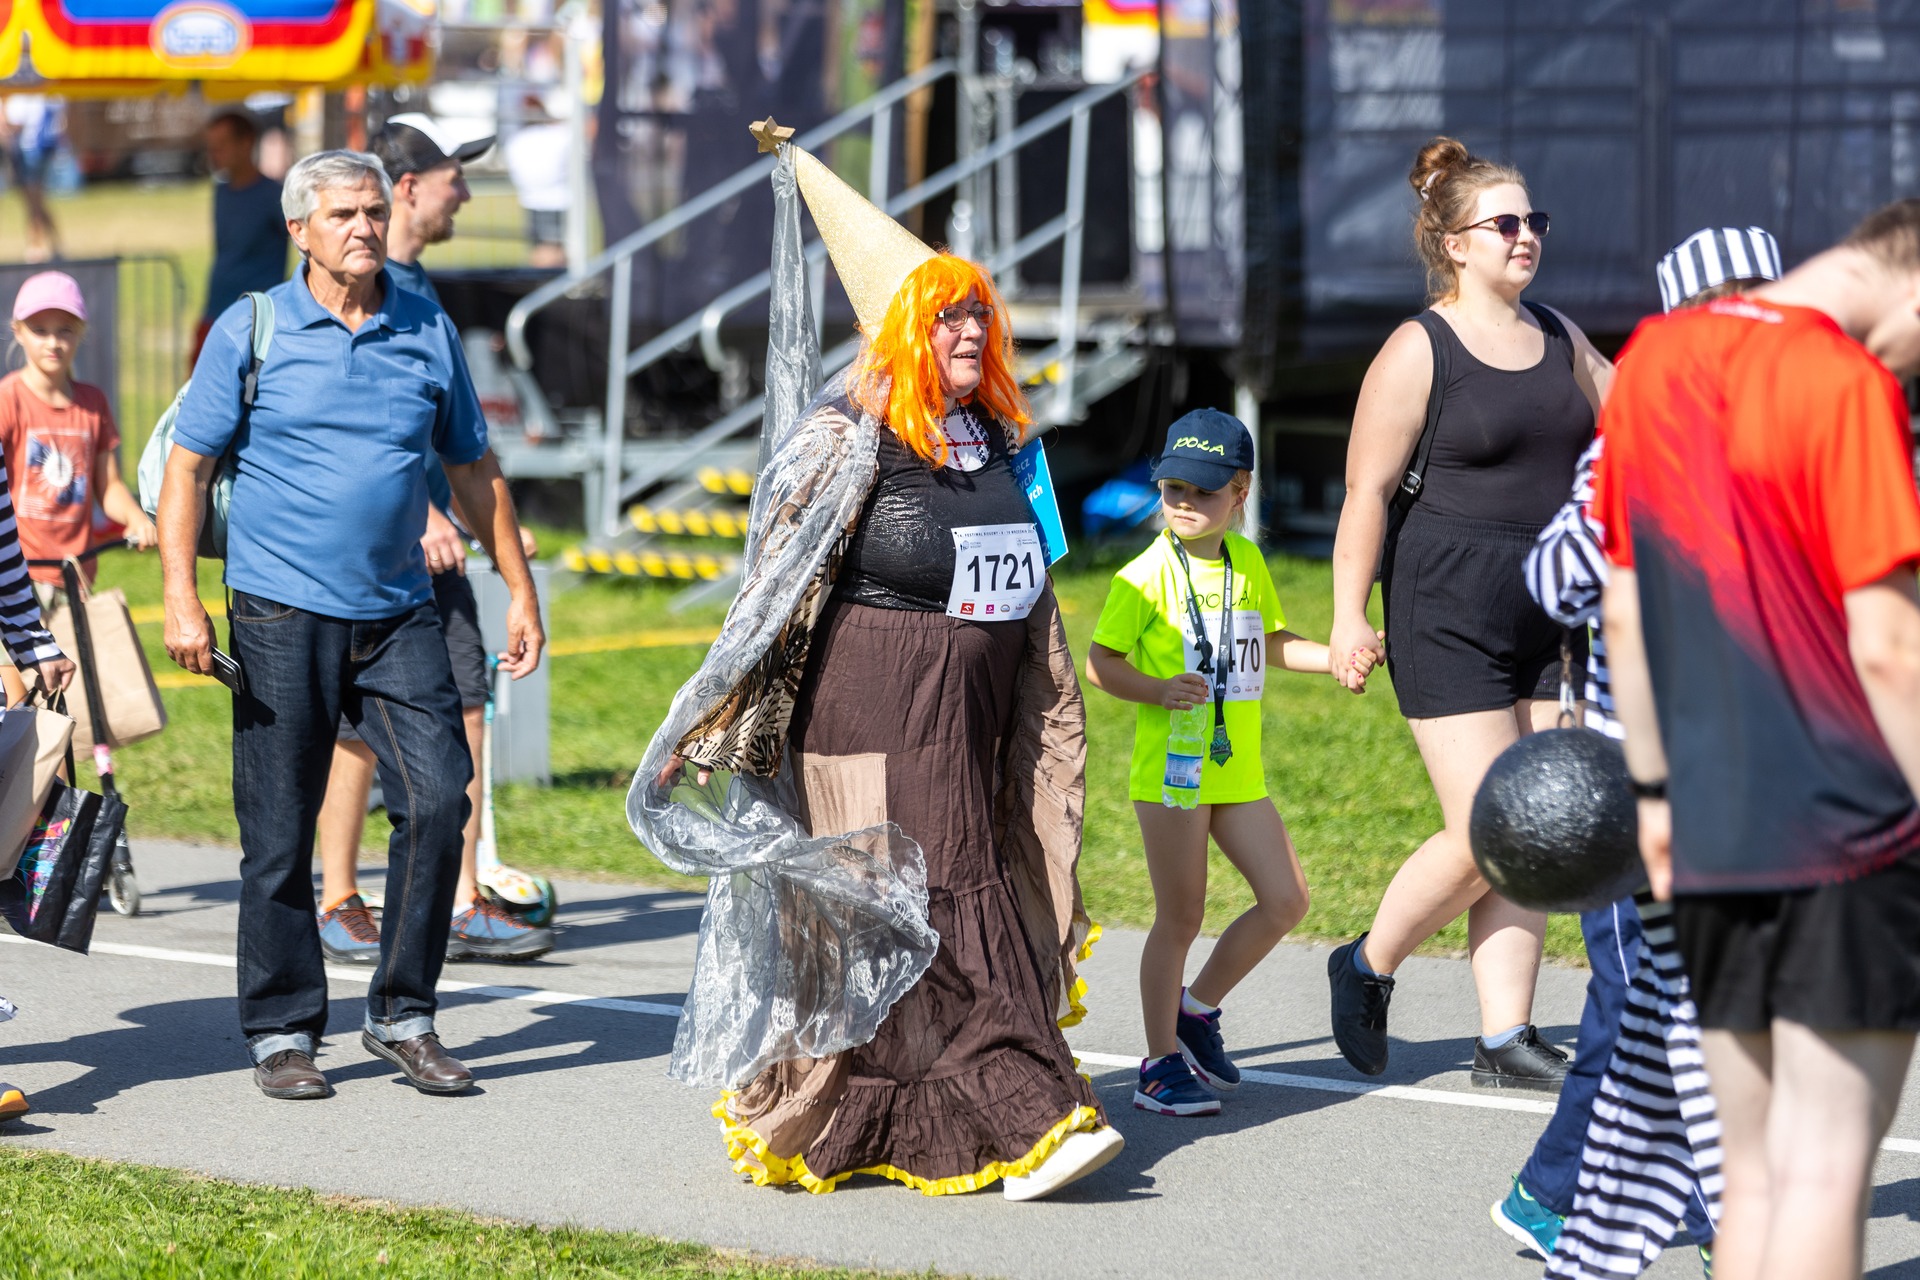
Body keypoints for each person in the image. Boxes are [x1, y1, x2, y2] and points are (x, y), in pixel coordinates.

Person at [629, 131, 1121, 1201]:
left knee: (925, 899)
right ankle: (1030, 1115)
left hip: (979, 711)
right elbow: (768, 596)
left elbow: (1035, 574)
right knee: (934, 891)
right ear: (897, 328)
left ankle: (874, 1117)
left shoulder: (1002, 438)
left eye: (977, 312)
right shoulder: (841, 437)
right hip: (875, 708)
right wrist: (703, 722)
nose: (969, 329)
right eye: (945, 315)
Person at [157, 150, 545, 1102]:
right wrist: (180, 596)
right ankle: (283, 1029)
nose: (364, 228)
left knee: (440, 800)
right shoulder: (251, 328)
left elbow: (473, 468)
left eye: (373, 211)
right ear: (300, 230)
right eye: (342, 215)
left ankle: (403, 1014)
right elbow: (188, 470)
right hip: (278, 611)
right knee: (279, 829)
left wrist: (519, 587)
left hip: (398, 612)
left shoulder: (425, 326)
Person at [1599, 200, 1920, 1280]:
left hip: (1709, 819)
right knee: (1827, 1169)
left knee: (1755, 1175)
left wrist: (1653, 794)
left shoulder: (1651, 360)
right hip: (1848, 827)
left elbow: (1625, 610)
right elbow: (1889, 648)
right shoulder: (1846, 381)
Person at [1493, 226, 1785, 1270]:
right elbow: (1553, 578)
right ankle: (1559, 1196)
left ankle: (1687, 1206)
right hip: (1635, 785)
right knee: (1639, 1006)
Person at [1323, 136, 1613, 1090]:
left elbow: (1643, 415)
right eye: (1505, 223)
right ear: (1455, 244)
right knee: (1495, 824)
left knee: (1546, 823)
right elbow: (1365, 493)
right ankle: (1367, 963)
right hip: (1446, 604)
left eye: (1535, 221)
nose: (1527, 236)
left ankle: (1504, 1037)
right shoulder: (1420, 348)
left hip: (1549, 609)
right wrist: (1348, 616)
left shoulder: (1561, 337)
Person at [307, 113, 551, 967]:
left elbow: (455, 438)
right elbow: (348, 420)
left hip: (436, 543)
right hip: (381, 547)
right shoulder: (362, 286)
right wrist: (425, 511)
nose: (467, 194)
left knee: (464, 703)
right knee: (358, 721)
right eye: (456, 176)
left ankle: (457, 894)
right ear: (409, 186)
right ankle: (341, 897)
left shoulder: (417, 289)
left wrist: (491, 530)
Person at [1085, 409, 1373, 1117]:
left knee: (1288, 899)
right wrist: (1158, 689)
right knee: (1181, 916)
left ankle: (1197, 1009)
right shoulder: (1143, 576)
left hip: (1237, 771)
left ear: (1240, 492)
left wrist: (1336, 658)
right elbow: (1099, 664)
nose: (1184, 502)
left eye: (1203, 491)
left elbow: (1269, 643)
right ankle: (1158, 1065)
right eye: (1173, 488)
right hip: (1172, 776)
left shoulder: (1247, 563)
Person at [0, 271, 158, 702]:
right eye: (40, 330)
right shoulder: (8, 400)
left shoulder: (92, 403)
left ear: (81, 333)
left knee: (76, 711)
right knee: (22, 707)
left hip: (76, 579)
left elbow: (109, 487)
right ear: (18, 332)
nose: (53, 342)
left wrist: (137, 519)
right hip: (19, 584)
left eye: (65, 330)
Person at [195, 110, 290, 369]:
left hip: (255, 323)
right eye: (211, 146)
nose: (214, 153)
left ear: (246, 143)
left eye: (221, 145)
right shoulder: (221, 192)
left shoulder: (274, 196)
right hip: (216, 312)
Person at [503, 96, 570, 269]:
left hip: (533, 200)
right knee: (554, 252)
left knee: (542, 249)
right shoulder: (558, 136)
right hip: (557, 200)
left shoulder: (516, 140)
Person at [1, 96, 63, 263]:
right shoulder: (46, 97)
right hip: (41, 151)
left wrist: (4, 124)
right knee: (37, 202)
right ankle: (55, 245)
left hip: (30, 152)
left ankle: (36, 247)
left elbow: (16, 124)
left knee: (33, 203)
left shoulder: (22, 96)